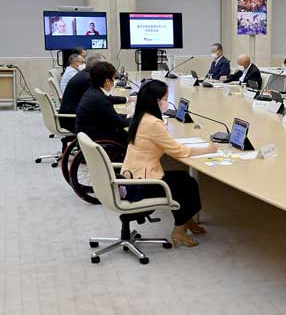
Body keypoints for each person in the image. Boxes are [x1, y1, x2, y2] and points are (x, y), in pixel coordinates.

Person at [122, 80, 218, 247]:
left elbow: (168, 146)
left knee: (183, 178)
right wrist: (208, 149)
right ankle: (179, 230)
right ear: (156, 101)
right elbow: (179, 152)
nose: (168, 102)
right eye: (166, 98)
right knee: (187, 185)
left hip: (132, 175)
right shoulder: (153, 123)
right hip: (142, 183)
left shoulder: (141, 116)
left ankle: (187, 220)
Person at [59, 54, 134, 132]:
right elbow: (105, 105)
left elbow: (105, 104)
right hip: (72, 119)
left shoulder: (87, 76)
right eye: (104, 65)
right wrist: (138, 120)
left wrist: (127, 114)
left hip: (81, 119)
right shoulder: (88, 80)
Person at [75, 61, 130, 145]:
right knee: (133, 137)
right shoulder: (100, 99)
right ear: (107, 81)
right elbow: (118, 123)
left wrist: (128, 116)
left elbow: (110, 117)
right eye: (114, 78)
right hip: (99, 138)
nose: (115, 81)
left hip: (89, 135)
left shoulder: (93, 91)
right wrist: (138, 119)